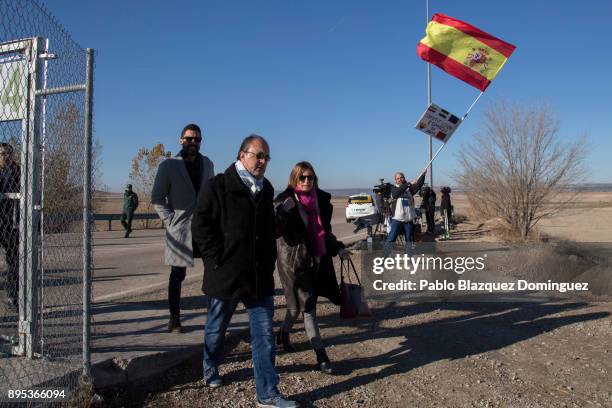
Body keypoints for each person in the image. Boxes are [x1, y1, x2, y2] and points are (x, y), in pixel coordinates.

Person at [192, 135, 297, 408]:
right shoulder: (218, 186)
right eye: (258, 155)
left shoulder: (266, 189)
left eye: (266, 157)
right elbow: (201, 225)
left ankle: (267, 393)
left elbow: (267, 230)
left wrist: (281, 221)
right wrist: (216, 259)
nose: (263, 161)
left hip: (259, 277)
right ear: (242, 155)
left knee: (263, 335)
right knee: (216, 329)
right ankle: (210, 366)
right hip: (226, 274)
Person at [274, 161, 351, 375]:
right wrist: (284, 212)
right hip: (294, 263)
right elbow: (275, 230)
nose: (307, 181)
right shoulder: (285, 200)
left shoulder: (322, 201)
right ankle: (321, 355)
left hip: (318, 260)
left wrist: (338, 248)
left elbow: (325, 232)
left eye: (310, 177)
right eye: (302, 178)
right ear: (294, 179)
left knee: (296, 307)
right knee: (307, 308)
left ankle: (282, 333)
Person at [151, 123, 214, 333]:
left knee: (213, 271)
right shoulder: (168, 166)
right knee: (177, 275)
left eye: (197, 139)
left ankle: (212, 316)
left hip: (204, 228)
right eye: (189, 139)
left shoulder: (208, 164)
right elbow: (157, 198)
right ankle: (174, 318)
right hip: (180, 230)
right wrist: (170, 220)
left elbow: (212, 194)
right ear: (181, 140)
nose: (193, 143)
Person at [383, 171, 425, 257]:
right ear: (395, 180)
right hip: (397, 219)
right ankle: (383, 258)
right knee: (391, 239)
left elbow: (418, 185)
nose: (400, 179)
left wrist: (423, 175)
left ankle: (408, 259)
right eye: (397, 178)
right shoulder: (393, 188)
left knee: (408, 240)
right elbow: (396, 193)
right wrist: (409, 183)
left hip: (408, 219)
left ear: (404, 178)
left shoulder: (409, 190)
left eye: (401, 177)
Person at [0, 142, 20, 309]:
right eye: (2, 154)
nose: (5, 157)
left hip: (11, 224)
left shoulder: (18, 172)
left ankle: (13, 296)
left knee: (14, 261)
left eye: (8, 154)